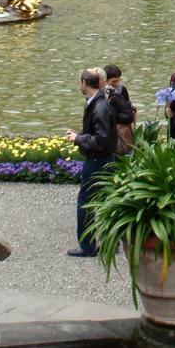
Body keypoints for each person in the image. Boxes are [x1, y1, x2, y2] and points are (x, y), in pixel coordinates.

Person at [65, 68, 117, 257]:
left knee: (85, 202)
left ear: (85, 83)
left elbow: (101, 140)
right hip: (104, 159)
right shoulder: (99, 103)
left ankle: (87, 245)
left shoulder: (99, 106)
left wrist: (78, 138)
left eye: (80, 82)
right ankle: (108, 241)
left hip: (97, 161)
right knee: (104, 201)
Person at [103, 64, 136, 155]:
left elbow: (128, 115)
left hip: (120, 131)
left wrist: (113, 115)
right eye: (113, 81)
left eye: (118, 80)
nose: (117, 84)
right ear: (105, 81)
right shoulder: (101, 92)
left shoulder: (122, 90)